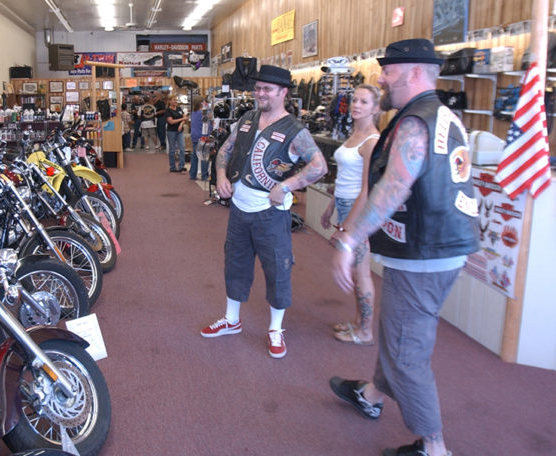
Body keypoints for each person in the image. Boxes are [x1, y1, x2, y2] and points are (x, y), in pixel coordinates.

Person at [327, 39, 479, 456]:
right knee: (396, 334)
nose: (381, 78)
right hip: (429, 251)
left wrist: (348, 239)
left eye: (389, 71)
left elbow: (392, 188)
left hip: (425, 256)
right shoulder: (440, 114)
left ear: (414, 72)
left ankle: (434, 447)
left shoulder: (416, 122)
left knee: (406, 353)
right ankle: (373, 394)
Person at [200, 65, 327, 359]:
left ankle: (275, 329)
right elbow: (225, 150)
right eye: (258, 88)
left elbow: (319, 166)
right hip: (239, 209)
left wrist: (288, 185)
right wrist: (220, 176)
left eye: (267, 89)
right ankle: (232, 320)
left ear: (283, 92)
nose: (260, 93)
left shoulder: (295, 130)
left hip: (271, 214)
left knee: (277, 270)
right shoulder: (247, 118)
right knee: (235, 264)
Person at [319, 84, 381, 345]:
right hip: (344, 203)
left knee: (362, 271)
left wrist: (347, 225)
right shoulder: (354, 135)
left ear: (376, 108)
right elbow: (344, 177)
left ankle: (365, 331)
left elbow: (366, 190)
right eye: (355, 100)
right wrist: (332, 205)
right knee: (357, 270)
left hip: (358, 210)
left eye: (364, 102)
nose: (356, 105)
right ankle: (358, 321)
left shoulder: (371, 141)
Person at [188, 96, 210, 181]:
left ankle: (192, 174)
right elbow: (206, 125)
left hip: (194, 136)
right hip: (202, 136)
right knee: (204, 156)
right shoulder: (203, 113)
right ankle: (204, 176)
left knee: (195, 156)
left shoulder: (193, 113)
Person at [166, 96, 188, 172]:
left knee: (182, 148)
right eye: (174, 100)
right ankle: (172, 167)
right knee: (172, 150)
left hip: (180, 131)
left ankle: (181, 166)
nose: (176, 101)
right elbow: (171, 121)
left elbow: (185, 117)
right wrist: (182, 119)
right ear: (170, 101)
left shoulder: (179, 109)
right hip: (171, 131)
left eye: (176, 100)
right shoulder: (168, 110)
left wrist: (181, 124)